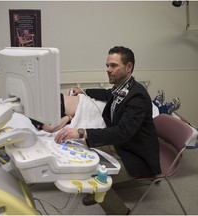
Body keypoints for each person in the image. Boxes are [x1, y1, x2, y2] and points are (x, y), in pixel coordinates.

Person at [54, 46, 161, 215]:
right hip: (121, 146)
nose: (108, 70)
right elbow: (107, 93)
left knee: (90, 176)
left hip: (137, 155)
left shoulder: (138, 96)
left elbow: (123, 132)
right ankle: (97, 192)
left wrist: (82, 132)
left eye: (113, 66)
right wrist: (84, 91)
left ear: (129, 67)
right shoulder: (122, 88)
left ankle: (120, 211)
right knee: (81, 153)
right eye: (107, 66)